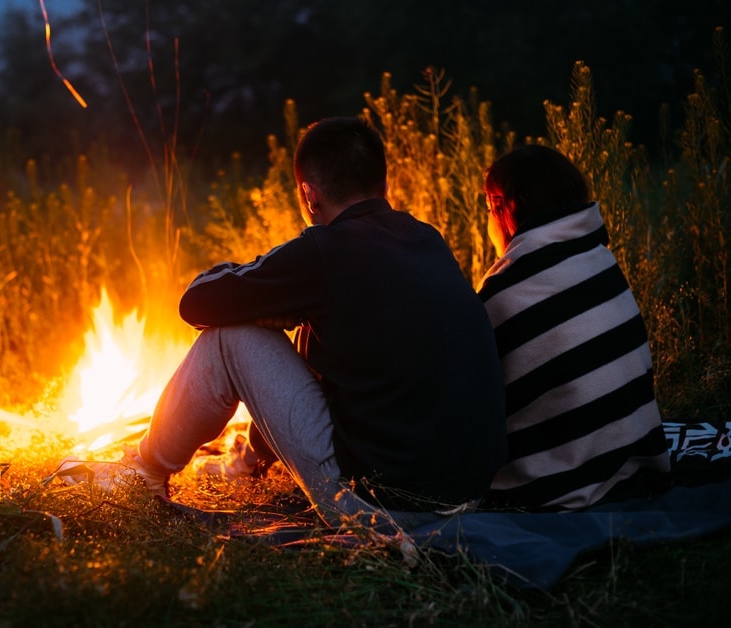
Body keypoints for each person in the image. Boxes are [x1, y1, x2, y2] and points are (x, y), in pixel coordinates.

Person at [126, 116, 508, 528]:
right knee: (320, 333)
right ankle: (247, 462)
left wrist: (262, 310)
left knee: (229, 337)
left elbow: (197, 301)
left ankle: (143, 471)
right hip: (469, 496)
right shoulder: (427, 240)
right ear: (383, 184)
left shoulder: (327, 249)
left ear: (309, 195)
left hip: (383, 506)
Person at [477, 144, 671, 511]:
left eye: (488, 210)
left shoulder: (503, 292)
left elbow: (476, 404)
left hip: (557, 489)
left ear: (503, 208)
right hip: (639, 465)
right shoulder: (600, 260)